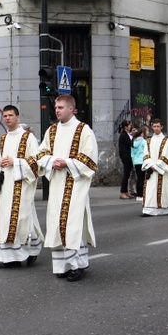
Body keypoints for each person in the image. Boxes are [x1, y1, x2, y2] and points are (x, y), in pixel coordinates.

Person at [37, 94, 98, 282]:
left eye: (61, 107)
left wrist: (68, 163)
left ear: (71, 109)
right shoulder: (52, 131)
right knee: (57, 224)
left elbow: (90, 158)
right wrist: (51, 161)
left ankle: (77, 265)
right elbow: (41, 153)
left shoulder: (83, 130)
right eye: (56, 107)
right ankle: (62, 265)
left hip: (75, 184)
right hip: (57, 185)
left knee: (73, 224)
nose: (57, 110)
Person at [0, 105, 44, 268]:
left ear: (17, 117)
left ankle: (32, 248)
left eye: (10, 115)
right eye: (5, 116)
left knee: (21, 219)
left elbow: (36, 162)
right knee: (4, 220)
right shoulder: (3, 139)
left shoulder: (28, 138)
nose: (7, 118)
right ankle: (10, 257)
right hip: (4, 185)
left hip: (21, 184)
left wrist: (16, 162)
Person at [140, 119, 168, 216]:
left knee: (163, 189)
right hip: (151, 169)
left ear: (161, 127)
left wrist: (156, 166)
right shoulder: (149, 140)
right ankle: (148, 210)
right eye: (154, 126)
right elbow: (146, 154)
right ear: (152, 127)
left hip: (161, 170)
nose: (156, 128)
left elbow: (166, 155)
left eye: (158, 126)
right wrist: (150, 165)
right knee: (150, 190)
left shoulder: (166, 140)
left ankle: (164, 209)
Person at [118, 119, 133, 199]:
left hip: (128, 156)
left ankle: (126, 191)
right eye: (129, 126)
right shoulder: (124, 135)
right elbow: (130, 144)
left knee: (127, 175)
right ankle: (123, 192)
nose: (130, 127)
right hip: (126, 157)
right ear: (125, 127)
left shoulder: (127, 134)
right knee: (126, 174)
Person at [131, 125, 147, 201]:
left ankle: (138, 194)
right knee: (143, 179)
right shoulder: (144, 142)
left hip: (136, 162)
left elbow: (132, 154)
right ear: (142, 134)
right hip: (142, 161)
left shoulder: (133, 142)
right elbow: (146, 151)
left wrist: (134, 161)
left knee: (138, 179)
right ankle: (142, 194)